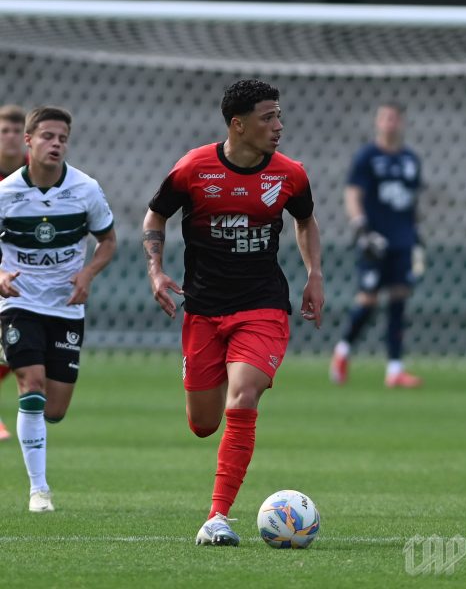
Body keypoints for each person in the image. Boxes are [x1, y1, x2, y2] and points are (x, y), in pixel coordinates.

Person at [143, 79, 324, 546]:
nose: (279, 126)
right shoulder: (193, 168)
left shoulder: (289, 174)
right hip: (204, 310)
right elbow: (155, 215)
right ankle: (210, 380)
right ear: (238, 124)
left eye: (279, 115)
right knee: (204, 424)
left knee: (242, 398)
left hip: (262, 306)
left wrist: (314, 274)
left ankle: (217, 517)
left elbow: (305, 220)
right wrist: (156, 270)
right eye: (268, 117)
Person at [0, 106, 116, 512]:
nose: (56, 144)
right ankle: (39, 490)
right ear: (29, 141)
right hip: (19, 301)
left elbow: (108, 241)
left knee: (54, 409)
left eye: (62, 138)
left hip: (66, 307)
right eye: (47, 136)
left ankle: (15, 360)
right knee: (30, 386)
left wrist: (87, 274)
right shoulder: (6, 193)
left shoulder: (85, 189)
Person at [330, 102, 424, 388]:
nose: (390, 123)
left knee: (399, 299)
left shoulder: (410, 159)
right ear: (377, 122)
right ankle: (343, 350)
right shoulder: (367, 156)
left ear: (402, 122)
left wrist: (416, 236)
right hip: (376, 240)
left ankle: (395, 369)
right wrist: (361, 228)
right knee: (368, 300)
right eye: (385, 118)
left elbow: (412, 201)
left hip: (402, 240)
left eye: (394, 118)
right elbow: (353, 194)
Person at [0, 105, 28, 441]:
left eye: (15, 131)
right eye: (3, 131)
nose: (9, 137)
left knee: (12, 346)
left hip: (21, 275)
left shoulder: (35, 174)